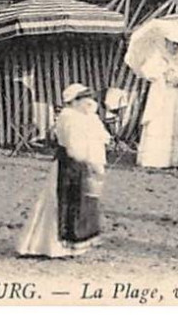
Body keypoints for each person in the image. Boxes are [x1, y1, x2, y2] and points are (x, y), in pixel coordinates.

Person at [18, 83, 110, 258]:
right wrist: (91, 163)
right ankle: (53, 245)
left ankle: (79, 241)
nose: (90, 102)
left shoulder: (89, 117)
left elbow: (102, 136)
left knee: (84, 202)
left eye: (91, 98)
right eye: (85, 99)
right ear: (74, 102)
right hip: (71, 164)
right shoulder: (68, 118)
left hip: (86, 165)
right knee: (65, 203)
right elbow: (74, 148)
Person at [137, 28, 178, 169]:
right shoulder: (157, 57)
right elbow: (146, 71)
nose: (175, 47)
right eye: (172, 43)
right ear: (166, 43)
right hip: (163, 93)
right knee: (160, 123)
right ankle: (154, 159)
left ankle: (175, 159)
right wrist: (161, 73)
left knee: (177, 124)